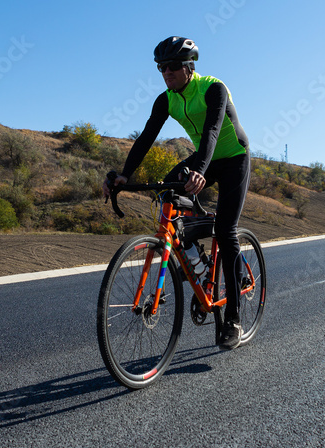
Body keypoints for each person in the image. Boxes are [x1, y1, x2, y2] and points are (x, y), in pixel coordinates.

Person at [103, 36, 250, 349]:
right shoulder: (165, 99)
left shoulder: (213, 88)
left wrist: (200, 171)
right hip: (203, 159)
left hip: (233, 158)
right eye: (161, 68)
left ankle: (234, 320)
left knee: (226, 231)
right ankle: (199, 258)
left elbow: (211, 131)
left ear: (189, 66)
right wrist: (125, 175)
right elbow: (145, 138)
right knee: (168, 191)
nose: (166, 72)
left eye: (171, 67)